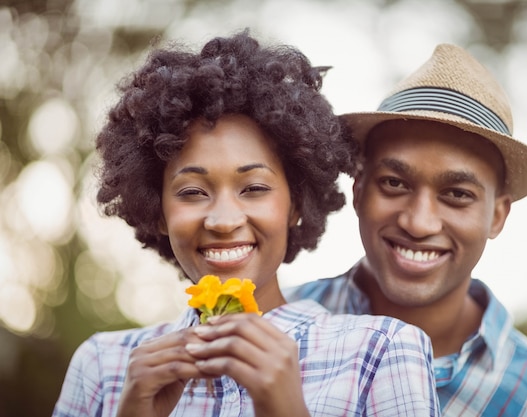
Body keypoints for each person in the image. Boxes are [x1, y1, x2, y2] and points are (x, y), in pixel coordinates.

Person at [52, 30, 440, 417]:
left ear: (295, 204)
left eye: (253, 188)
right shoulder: (102, 367)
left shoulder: (383, 352)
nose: (223, 221)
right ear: (159, 213)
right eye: (191, 192)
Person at [284, 43, 527, 416]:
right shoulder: (274, 328)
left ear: (497, 217)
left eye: (457, 194)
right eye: (395, 184)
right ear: (359, 189)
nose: (419, 223)